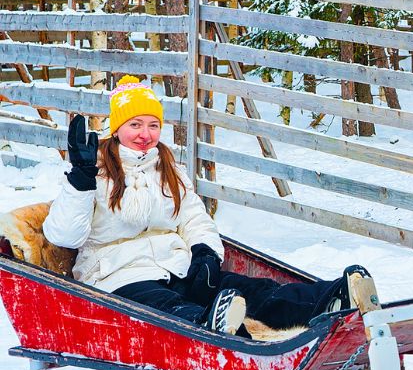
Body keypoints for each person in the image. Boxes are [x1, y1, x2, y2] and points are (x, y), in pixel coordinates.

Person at [42, 75, 376, 336]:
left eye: (153, 125)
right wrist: (80, 180)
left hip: (176, 264)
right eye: (135, 125)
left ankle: (331, 301)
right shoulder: (93, 168)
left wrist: (204, 253)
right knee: (168, 306)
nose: (145, 134)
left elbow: (193, 218)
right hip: (118, 275)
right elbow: (64, 235)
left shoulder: (168, 168)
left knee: (252, 290)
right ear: (118, 128)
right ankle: (212, 327)